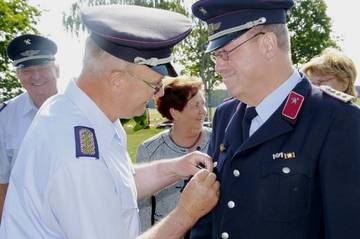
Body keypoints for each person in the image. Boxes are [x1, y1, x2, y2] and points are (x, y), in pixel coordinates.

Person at [0, 5, 219, 239]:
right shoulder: (75, 154)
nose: (158, 94)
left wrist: (174, 168)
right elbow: (92, 176)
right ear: (117, 80)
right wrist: (186, 213)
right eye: (154, 84)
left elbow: (116, 183)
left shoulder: (81, 113)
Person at [190, 0, 360, 238]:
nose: (218, 66)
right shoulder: (225, 116)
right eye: (216, 55)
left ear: (268, 44)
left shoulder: (337, 120)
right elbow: (209, 222)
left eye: (225, 52)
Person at [137, 77, 211, 235]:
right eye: (196, 105)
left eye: (203, 104)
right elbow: (143, 207)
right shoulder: (149, 150)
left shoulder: (219, 142)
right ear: (175, 113)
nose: (203, 111)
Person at [0, 34, 59, 222]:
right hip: (26, 225)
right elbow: (2, 183)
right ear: (18, 75)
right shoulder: (5, 117)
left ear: (57, 69)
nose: (36, 76)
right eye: (26, 70)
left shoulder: (82, 109)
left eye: (43, 67)